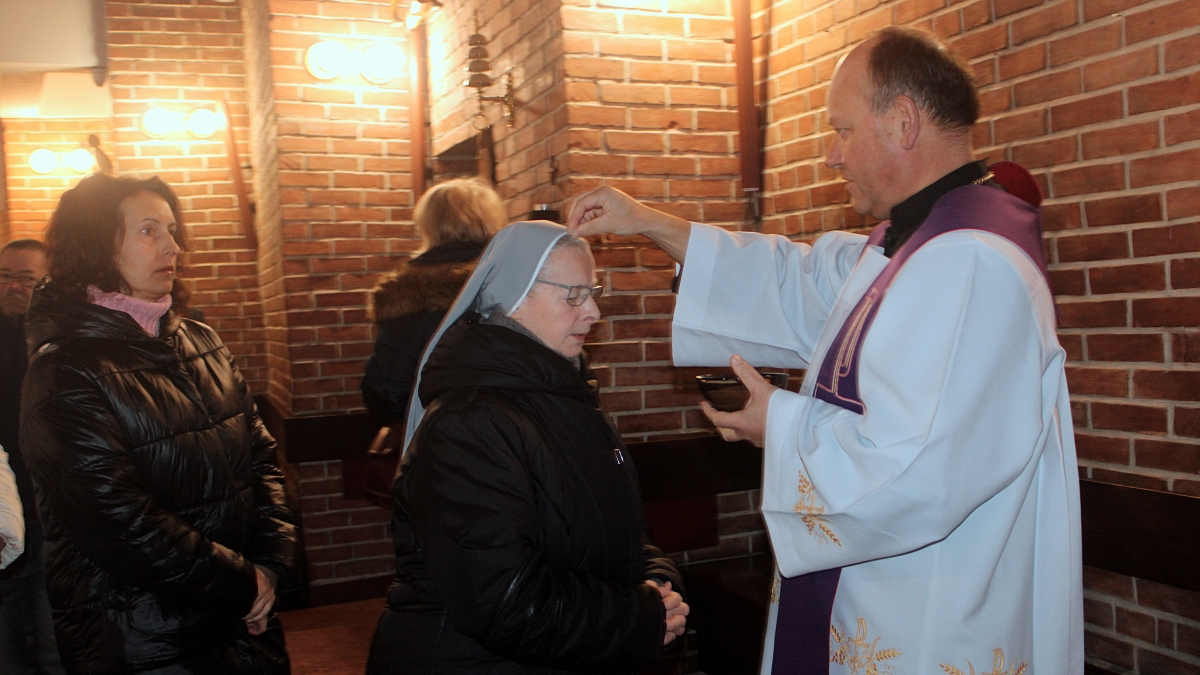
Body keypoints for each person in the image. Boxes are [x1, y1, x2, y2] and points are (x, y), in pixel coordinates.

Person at [568, 27, 1082, 675]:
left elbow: (919, 465)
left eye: (842, 130)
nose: (832, 156)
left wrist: (780, 426)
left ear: (903, 123)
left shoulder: (971, 261)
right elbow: (799, 283)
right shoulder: (915, 239)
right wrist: (648, 222)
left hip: (930, 608)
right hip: (889, 588)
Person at [366, 222, 689, 674]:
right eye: (573, 295)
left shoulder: (566, 396)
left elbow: (619, 527)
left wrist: (657, 583)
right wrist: (638, 615)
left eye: (592, 292)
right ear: (513, 300)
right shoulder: (469, 424)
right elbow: (505, 602)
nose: (593, 312)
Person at [20, 174, 299, 675]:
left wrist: (271, 566)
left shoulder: (202, 339)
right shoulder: (64, 368)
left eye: (171, 229)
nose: (173, 246)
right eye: (149, 230)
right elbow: (116, 518)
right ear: (95, 245)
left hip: (243, 618)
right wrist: (243, 583)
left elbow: (261, 457)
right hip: (142, 631)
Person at [360, 178, 507, 496]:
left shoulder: (407, 295)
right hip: (516, 453)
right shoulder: (518, 284)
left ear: (429, 225)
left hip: (440, 459)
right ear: (492, 220)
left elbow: (384, 390)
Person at [0, 238, 64, 675]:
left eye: (26, 278)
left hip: (51, 520)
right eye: (5, 276)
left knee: (53, 645)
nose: (12, 286)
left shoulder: (62, 343)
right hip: (2, 520)